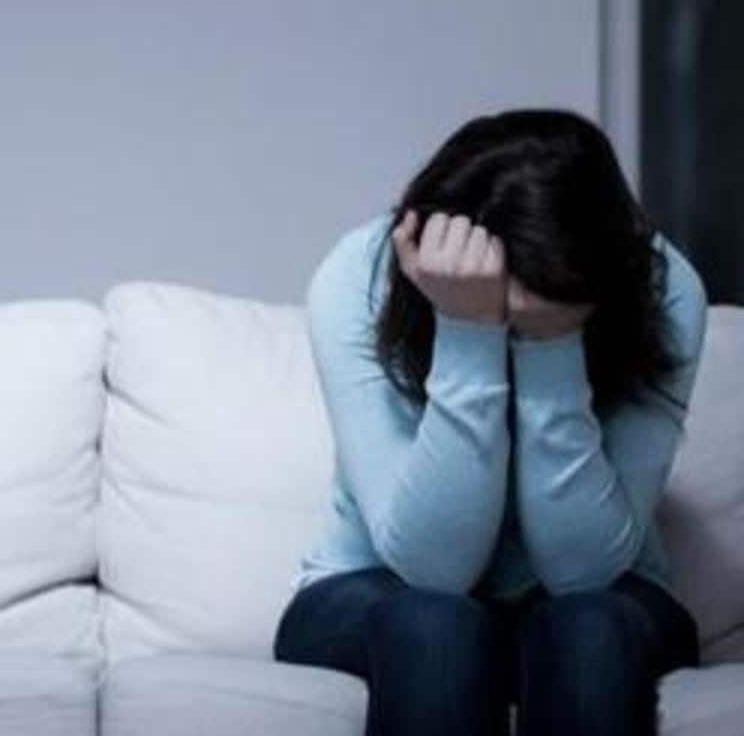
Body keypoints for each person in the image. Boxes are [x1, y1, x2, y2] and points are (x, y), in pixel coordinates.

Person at [273, 110, 705, 735]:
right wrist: (467, 329)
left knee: (589, 626)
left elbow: (582, 573)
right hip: (375, 587)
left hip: (602, 594)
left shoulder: (661, 286)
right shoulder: (358, 274)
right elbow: (434, 571)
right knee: (438, 626)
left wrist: (552, 340)